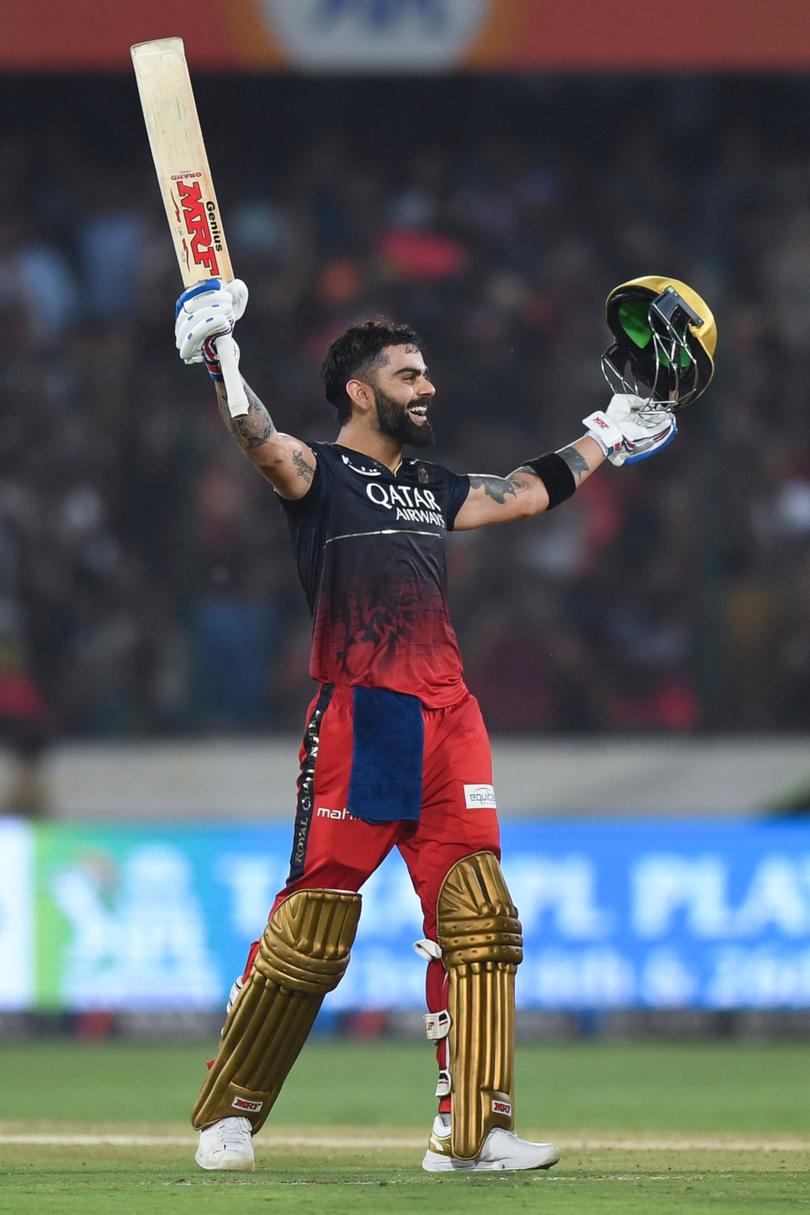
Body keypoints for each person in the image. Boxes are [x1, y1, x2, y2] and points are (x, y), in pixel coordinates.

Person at [174, 274, 716, 1174]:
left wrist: (607, 436)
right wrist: (220, 360)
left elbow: (522, 491)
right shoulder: (321, 473)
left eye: (426, 374)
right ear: (360, 390)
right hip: (365, 716)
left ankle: (471, 1130)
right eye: (410, 375)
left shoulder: (430, 485)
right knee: (312, 925)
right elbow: (256, 439)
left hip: (449, 716)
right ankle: (229, 1111)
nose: (428, 388)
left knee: (481, 919)